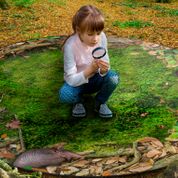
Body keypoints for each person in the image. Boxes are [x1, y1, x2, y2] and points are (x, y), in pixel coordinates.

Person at [59, 5, 119, 118]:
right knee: (65, 95)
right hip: (77, 82)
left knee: (113, 77)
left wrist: (104, 70)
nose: (95, 39)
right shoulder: (70, 46)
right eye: (90, 34)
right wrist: (89, 70)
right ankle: (78, 100)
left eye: (98, 33)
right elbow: (71, 79)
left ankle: (100, 102)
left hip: (96, 79)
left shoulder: (102, 37)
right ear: (78, 31)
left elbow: (106, 63)